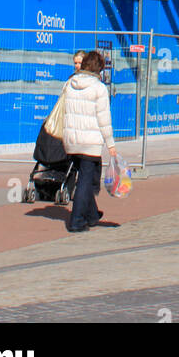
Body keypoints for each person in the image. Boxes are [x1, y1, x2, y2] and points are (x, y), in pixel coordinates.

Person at [61, 49, 117, 233]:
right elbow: (104, 119)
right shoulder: (99, 88)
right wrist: (111, 144)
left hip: (71, 140)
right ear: (98, 69)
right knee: (85, 180)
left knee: (82, 177)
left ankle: (92, 216)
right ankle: (76, 220)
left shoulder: (69, 84)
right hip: (90, 141)